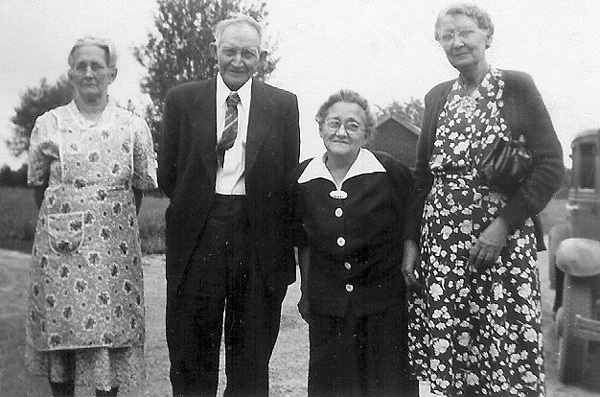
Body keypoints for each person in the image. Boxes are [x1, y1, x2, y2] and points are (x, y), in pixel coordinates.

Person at [401, 4, 564, 397]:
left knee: (502, 345)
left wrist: (503, 226)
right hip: (442, 244)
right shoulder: (437, 96)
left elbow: (551, 165)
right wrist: (411, 241)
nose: (456, 42)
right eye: (446, 36)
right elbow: (422, 176)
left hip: (501, 243)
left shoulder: (517, 86)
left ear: (487, 35)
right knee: (451, 347)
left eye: (465, 32)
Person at [157, 14, 300, 397]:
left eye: (248, 53)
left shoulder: (283, 105)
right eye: (230, 51)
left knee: (251, 354)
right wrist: (202, 205)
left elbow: (286, 177)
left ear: (261, 56)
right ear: (214, 52)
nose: (238, 61)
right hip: (200, 232)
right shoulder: (183, 99)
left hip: (258, 236)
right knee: (190, 349)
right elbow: (168, 173)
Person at [26, 36, 157, 397]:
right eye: (80, 66)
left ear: (112, 74)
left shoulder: (133, 126)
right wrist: (67, 219)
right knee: (63, 333)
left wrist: (105, 220)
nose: (88, 73)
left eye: (96, 66)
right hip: (60, 252)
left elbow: (140, 185)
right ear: (70, 73)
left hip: (114, 250)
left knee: (110, 333)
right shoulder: (49, 124)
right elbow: (39, 187)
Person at [292, 89, 418, 397]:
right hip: (328, 306)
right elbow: (303, 243)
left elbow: (415, 219)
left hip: (383, 303)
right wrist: (307, 293)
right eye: (334, 123)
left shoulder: (389, 172)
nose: (341, 132)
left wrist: (409, 256)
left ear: (366, 134)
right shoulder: (302, 178)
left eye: (353, 125)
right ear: (320, 126)